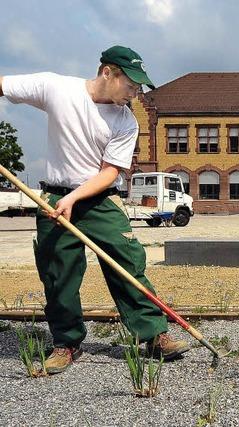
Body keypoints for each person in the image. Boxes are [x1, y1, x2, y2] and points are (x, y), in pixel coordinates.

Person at [0, 46, 190, 374]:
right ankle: (67, 342)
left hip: (100, 200)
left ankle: (154, 335)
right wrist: (65, 198)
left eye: (139, 88)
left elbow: (109, 173)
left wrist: (74, 198)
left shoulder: (125, 121)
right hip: (54, 198)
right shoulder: (56, 88)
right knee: (58, 273)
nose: (135, 93)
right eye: (131, 85)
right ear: (108, 73)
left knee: (127, 263)